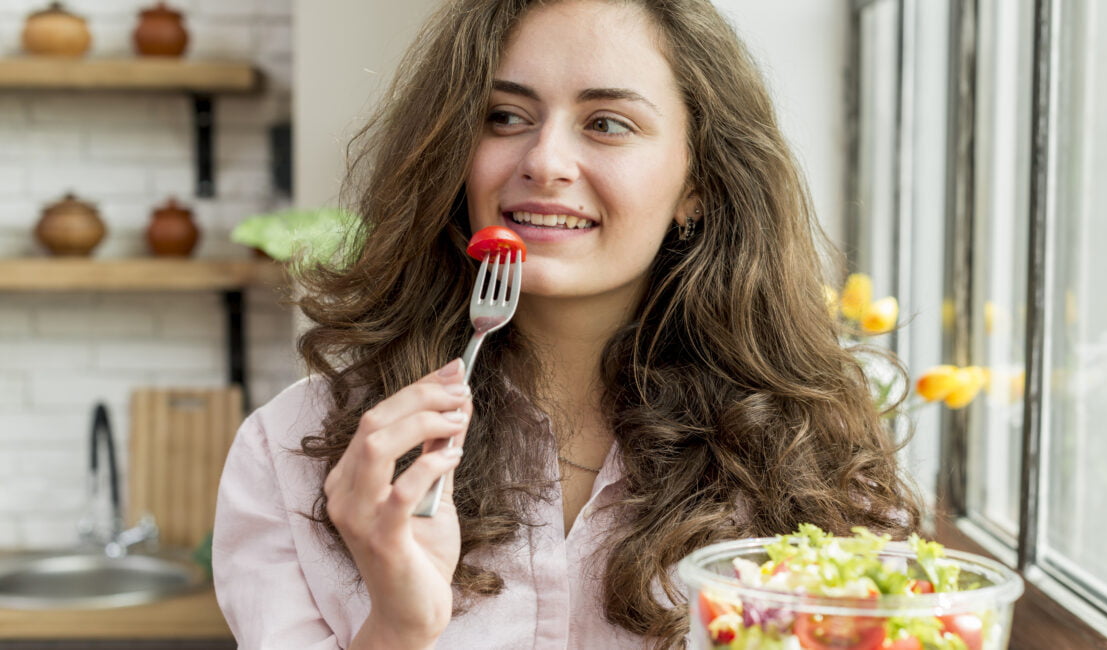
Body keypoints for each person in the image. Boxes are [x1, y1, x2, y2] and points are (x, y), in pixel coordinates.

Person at [212, 0, 922, 648]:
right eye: (505, 117)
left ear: (697, 183)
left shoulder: (811, 451)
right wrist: (398, 627)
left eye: (607, 123)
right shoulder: (292, 454)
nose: (544, 162)